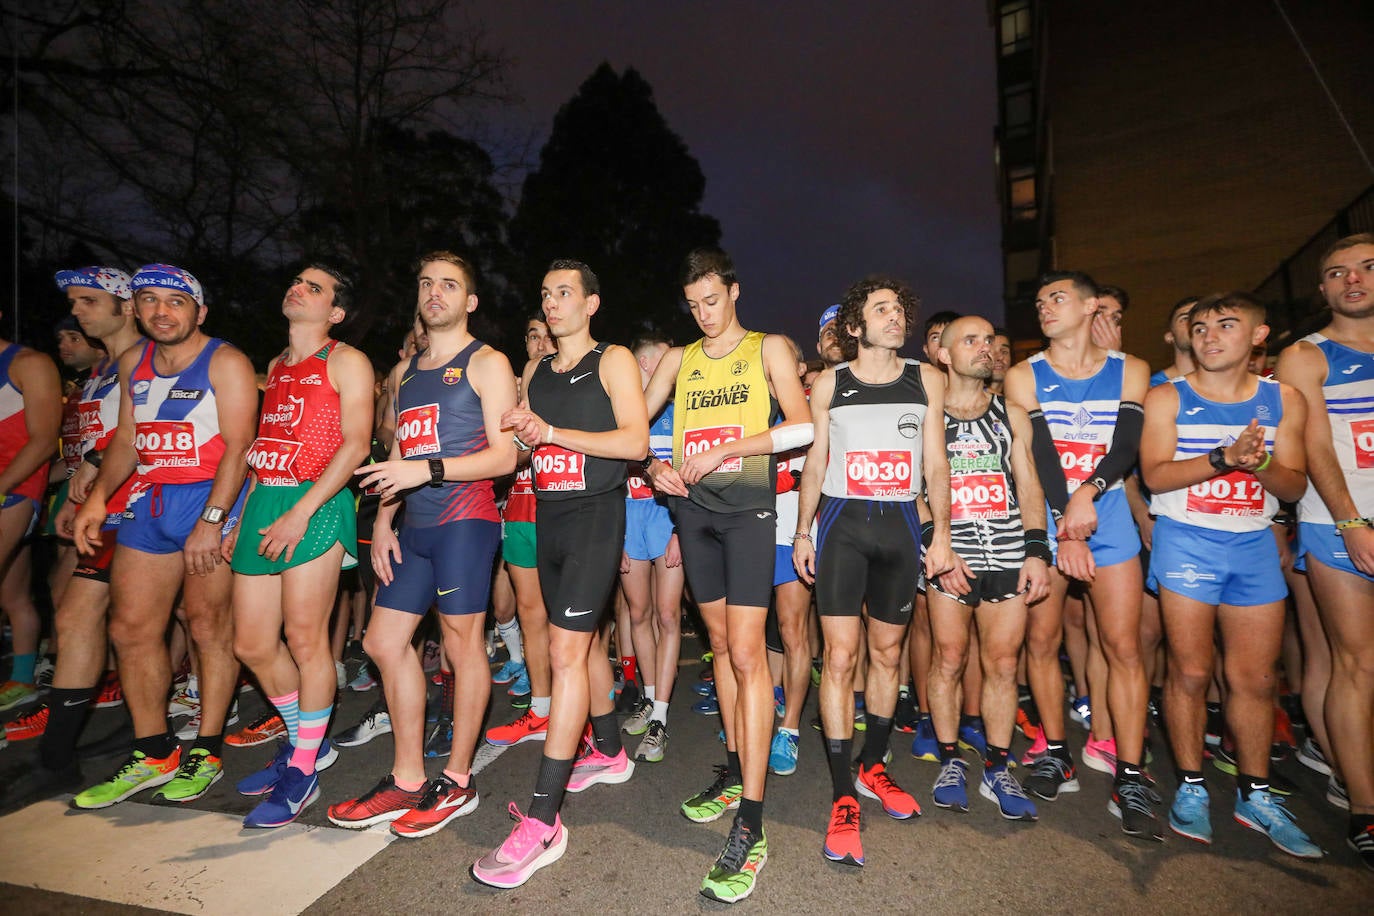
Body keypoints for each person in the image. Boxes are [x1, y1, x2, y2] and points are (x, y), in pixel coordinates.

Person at [642, 248, 811, 903]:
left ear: (734, 291)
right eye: (694, 304)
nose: (705, 314)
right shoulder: (682, 359)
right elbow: (638, 425)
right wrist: (650, 466)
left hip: (746, 513)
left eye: (713, 300)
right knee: (717, 648)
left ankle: (753, 826)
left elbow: (800, 426)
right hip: (692, 514)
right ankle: (738, 771)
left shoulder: (767, 348)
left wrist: (730, 448)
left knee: (747, 654)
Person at [327, 251, 515, 839]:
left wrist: (425, 472)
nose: (435, 292)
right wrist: (384, 519)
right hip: (413, 526)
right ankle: (407, 777)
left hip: (466, 520)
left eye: (450, 285)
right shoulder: (406, 372)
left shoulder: (488, 362)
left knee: (462, 645)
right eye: (427, 283)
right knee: (383, 641)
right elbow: (398, 458)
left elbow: (505, 456)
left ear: (470, 300)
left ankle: (457, 779)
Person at [472, 259, 647, 888]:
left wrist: (551, 431)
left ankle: (543, 821)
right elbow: (524, 447)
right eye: (545, 293)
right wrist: (516, 436)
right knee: (582, 643)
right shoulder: (536, 370)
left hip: (597, 517)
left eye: (565, 293)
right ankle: (609, 749)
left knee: (566, 649)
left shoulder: (613, 359)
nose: (552, 303)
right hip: (549, 519)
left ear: (592, 303)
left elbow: (635, 444)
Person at [70, 264, 257, 808]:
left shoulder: (226, 360)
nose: (161, 311)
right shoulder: (134, 361)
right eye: (148, 300)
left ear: (199, 310)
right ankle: (153, 750)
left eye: (175, 301)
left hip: (209, 497)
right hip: (150, 501)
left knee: (206, 625)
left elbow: (241, 444)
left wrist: (213, 519)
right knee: (129, 628)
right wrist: (100, 497)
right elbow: (127, 438)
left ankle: (207, 747)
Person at [1141, 292, 1320, 859]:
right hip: (1187, 540)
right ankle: (1192, 786)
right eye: (1199, 328)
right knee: (1191, 671)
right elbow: (1155, 475)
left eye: (1225, 325)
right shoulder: (1167, 397)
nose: (1210, 337)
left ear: (1259, 335)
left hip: (1252, 544)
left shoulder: (1283, 398)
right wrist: (1224, 458)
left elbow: (1294, 486)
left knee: (1256, 679)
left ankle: (1255, 792)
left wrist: (1261, 462)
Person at [793, 275, 954, 866]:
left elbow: (936, 462)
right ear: (855, 327)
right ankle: (842, 794)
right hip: (842, 527)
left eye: (899, 309)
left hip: (901, 529)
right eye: (881, 310)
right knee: (838, 658)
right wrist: (803, 531)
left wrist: (943, 533)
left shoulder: (926, 379)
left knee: (888, 656)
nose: (895, 317)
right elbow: (816, 460)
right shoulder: (830, 383)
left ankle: (874, 766)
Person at [1006, 271, 1157, 839]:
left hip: (1108, 512)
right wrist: (1065, 526)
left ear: (1093, 306)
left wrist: (1088, 494)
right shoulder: (1024, 375)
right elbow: (1040, 452)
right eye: (1040, 299)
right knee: (1042, 642)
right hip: (1048, 517)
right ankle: (1057, 750)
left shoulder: (1131, 368)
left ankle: (1133, 773)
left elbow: (1125, 446)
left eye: (1058, 298)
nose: (1044, 307)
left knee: (1123, 646)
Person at [229, 264, 373, 827]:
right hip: (266, 501)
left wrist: (300, 512)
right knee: (251, 643)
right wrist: (240, 515)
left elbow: (357, 443)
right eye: (296, 281)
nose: (298, 288)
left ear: (335, 312)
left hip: (315, 503)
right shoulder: (275, 366)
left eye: (315, 288)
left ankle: (304, 768)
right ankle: (305, 740)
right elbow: (264, 446)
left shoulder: (345, 361)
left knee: (306, 640)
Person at [1276, 231, 1374, 869]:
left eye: (1367, 268)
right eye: (1337, 273)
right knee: (1354, 664)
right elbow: (1312, 448)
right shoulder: (1306, 357)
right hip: (1341, 526)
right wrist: (1352, 522)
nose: (1353, 280)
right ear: (1322, 289)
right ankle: (1365, 808)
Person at [926, 315, 1049, 820]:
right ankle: (950, 759)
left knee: (1002, 664)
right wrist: (940, 549)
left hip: (1007, 555)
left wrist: (1037, 550)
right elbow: (914, 488)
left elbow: (1030, 485)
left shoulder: (1012, 414)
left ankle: (998, 768)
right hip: (949, 555)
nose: (985, 348)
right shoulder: (926, 416)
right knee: (949, 660)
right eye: (970, 341)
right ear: (944, 355)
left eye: (989, 340)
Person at [485, 316, 557, 749]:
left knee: (573, 622)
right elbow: (502, 457)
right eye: (532, 335)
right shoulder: (505, 391)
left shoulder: (577, 382)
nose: (540, 342)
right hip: (520, 509)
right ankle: (542, 709)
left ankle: (584, 711)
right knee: (530, 614)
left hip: (564, 511)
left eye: (547, 335)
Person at [618, 332, 684, 763]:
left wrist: (681, 529)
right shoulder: (622, 415)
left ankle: (660, 716)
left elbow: (689, 477)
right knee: (638, 614)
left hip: (666, 518)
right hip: (628, 518)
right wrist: (613, 537)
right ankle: (647, 696)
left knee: (667, 614)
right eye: (665, 364)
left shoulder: (680, 413)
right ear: (647, 366)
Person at [0, 301, 61, 714]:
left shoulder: (29, 363)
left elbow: (44, 439)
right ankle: (22, 679)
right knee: (13, 594)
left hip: (14, 490)